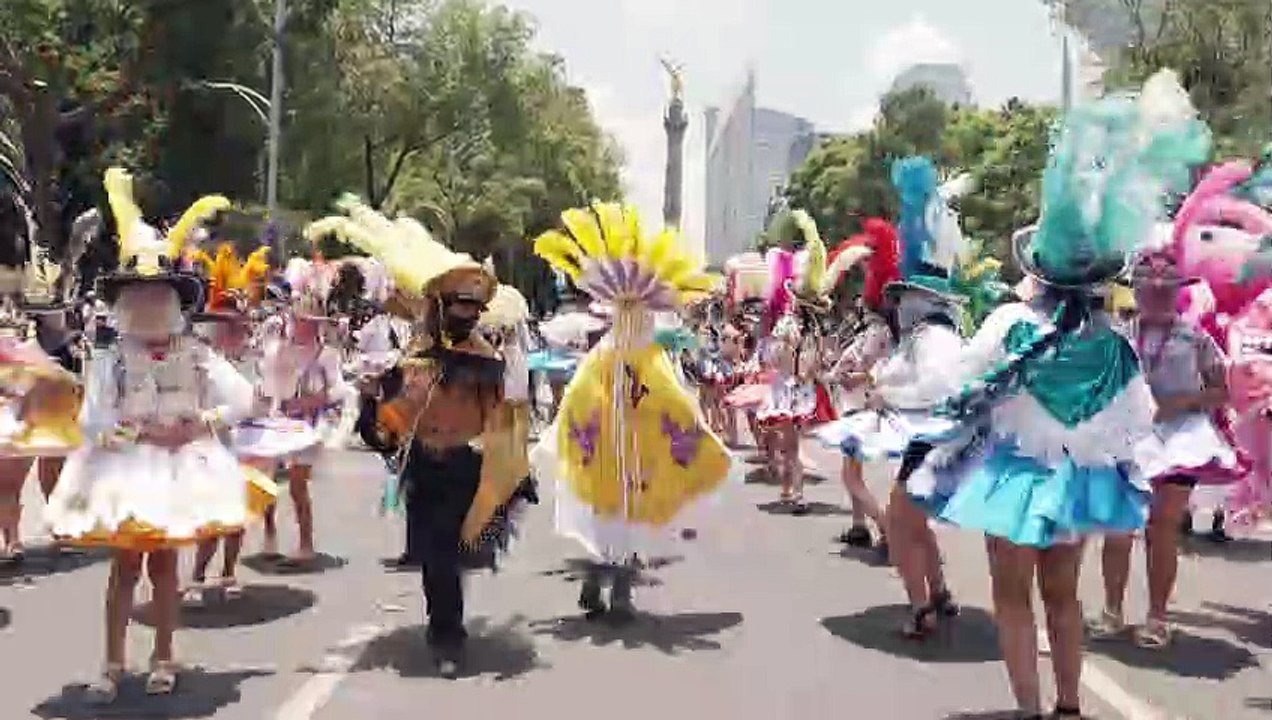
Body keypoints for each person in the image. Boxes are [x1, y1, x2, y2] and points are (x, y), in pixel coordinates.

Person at [905, 71, 1208, 719]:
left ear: (1035, 269)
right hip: (1075, 486)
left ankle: (1030, 709)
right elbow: (1135, 427)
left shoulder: (1009, 326)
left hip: (1012, 480)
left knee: (1012, 598)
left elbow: (955, 390)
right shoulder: (1114, 344)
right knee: (1064, 599)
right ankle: (1070, 706)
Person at [44, 168, 254, 701]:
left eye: (157, 291)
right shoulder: (111, 358)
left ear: (174, 297)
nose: (147, 301)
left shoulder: (198, 354)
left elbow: (242, 400)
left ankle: (164, 655)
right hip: (125, 470)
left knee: (164, 567)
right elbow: (92, 416)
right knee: (122, 569)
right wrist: (128, 432)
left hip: (181, 470)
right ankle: (112, 663)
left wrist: (199, 424)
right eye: (138, 291)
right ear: (123, 299)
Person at [311, 196, 527, 677]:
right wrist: (374, 405)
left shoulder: (486, 358)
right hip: (424, 468)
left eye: (475, 306)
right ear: (444, 305)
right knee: (433, 555)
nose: (468, 312)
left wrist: (508, 471)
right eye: (461, 304)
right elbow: (398, 416)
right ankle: (444, 628)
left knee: (448, 553)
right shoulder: (417, 354)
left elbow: (498, 417)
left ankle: (448, 631)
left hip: (464, 469)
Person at [530, 202, 731, 621]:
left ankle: (607, 589)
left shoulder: (631, 357)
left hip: (631, 460)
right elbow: (580, 402)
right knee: (615, 522)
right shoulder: (616, 356)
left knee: (615, 523)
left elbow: (671, 403)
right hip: (612, 460)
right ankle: (608, 590)